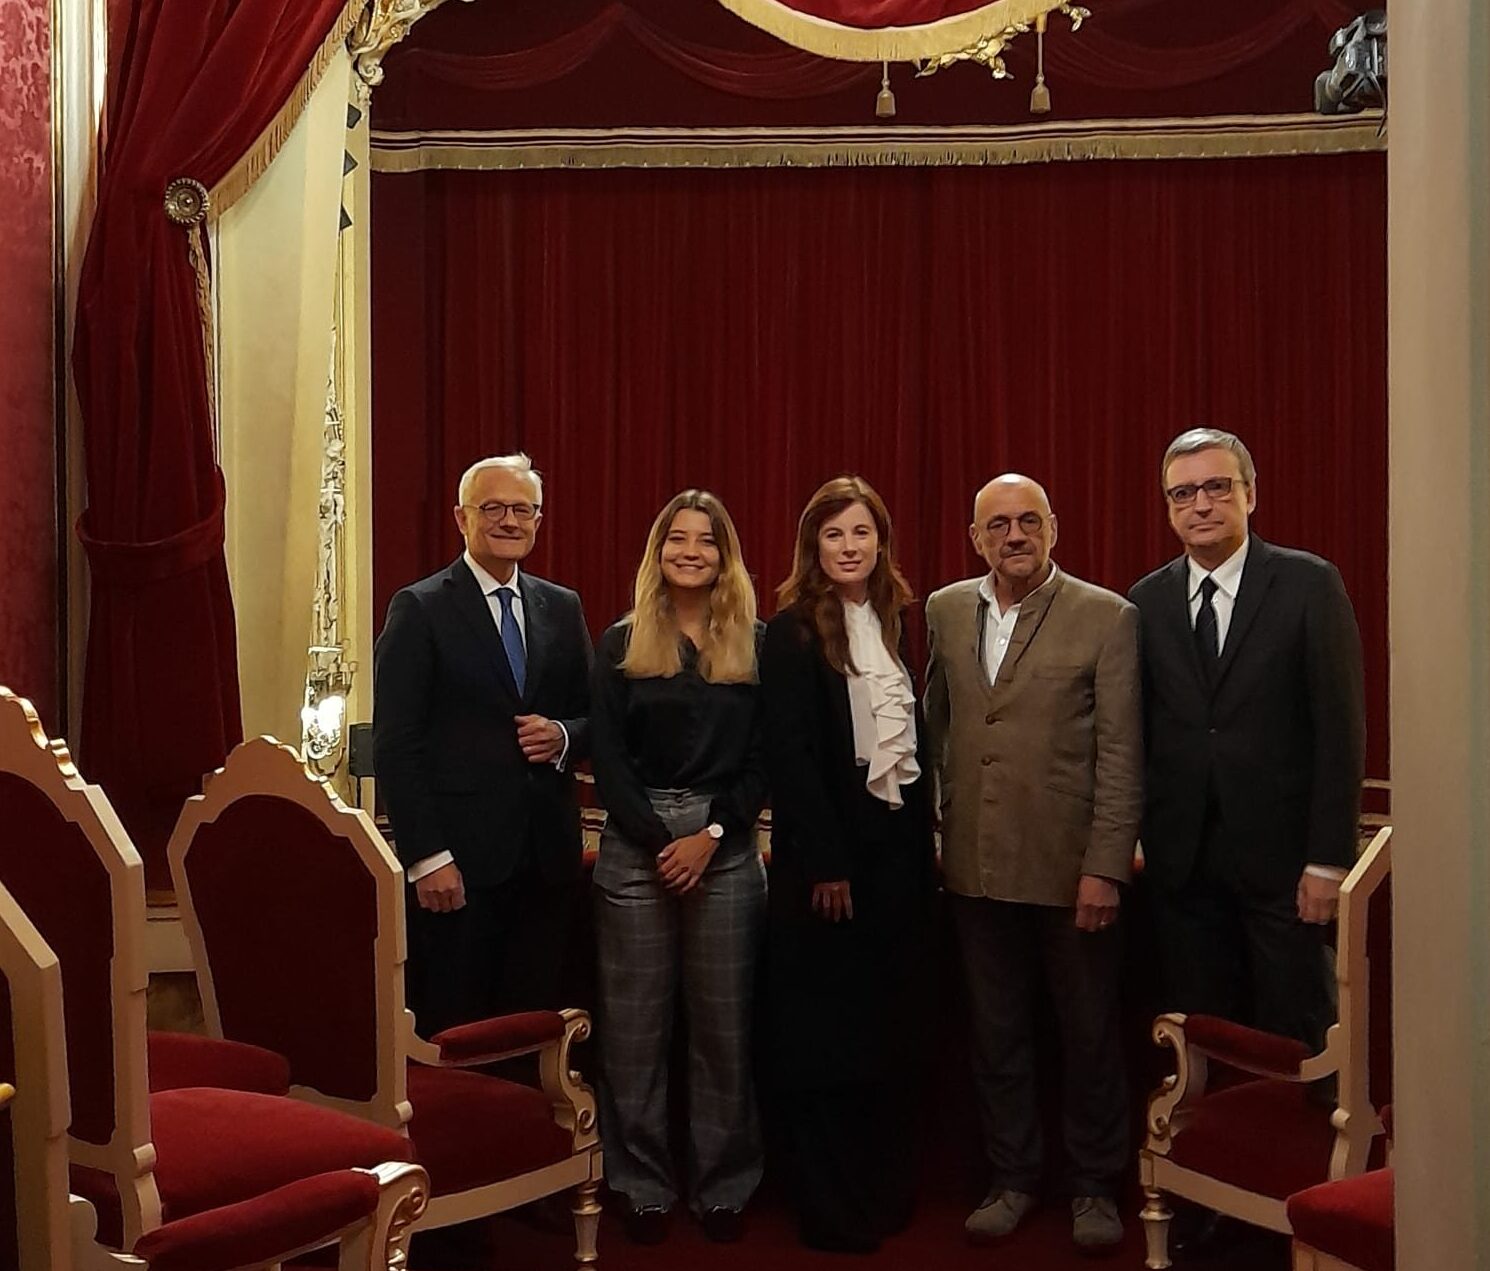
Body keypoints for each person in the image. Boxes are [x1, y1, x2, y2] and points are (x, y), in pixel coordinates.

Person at [924, 474, 1141, 1253]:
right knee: (997, 1034)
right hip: (975, 872)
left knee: (1087, 1036)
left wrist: (1106, 865)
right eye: (997, 526)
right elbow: (936, 731)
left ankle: (1092, 1186)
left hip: (1070, 871)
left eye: (1028, 522)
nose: (1014, 536)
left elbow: (1121, 752)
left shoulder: (1107, 616)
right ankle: (1012, 1177)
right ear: (974, 538)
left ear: (1054, 527)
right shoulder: (945, 610)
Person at [1130, 427, 1365, 1052]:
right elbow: (1139, 731)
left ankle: (1309, 1151)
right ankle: (1204, 1149)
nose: (1200, 505)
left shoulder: (1308, 584)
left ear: (1250, 494)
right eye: (1183, 494)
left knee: (1300, 1035)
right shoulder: (1144, 602)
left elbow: (1339, 731)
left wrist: (1328, 861)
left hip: (1285, 867)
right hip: (1182, 866)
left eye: (1215, 487)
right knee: (1201, 1039)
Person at [759, 475, 935, 1256]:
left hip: (895, 861)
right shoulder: (791, 630)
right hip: (825, 865)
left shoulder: (897, 622)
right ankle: (831, 1203)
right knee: (827, 1039)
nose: (850, 546)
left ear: (881, 541)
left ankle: (880, 1188)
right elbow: (790, 758)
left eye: (861, 532)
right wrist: (827, 861)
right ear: (813, 546)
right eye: (834, 535)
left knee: (884, 1034)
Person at [589, 490, 768, 1247]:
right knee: (634, 1029)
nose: (691, 551)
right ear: (658, 553)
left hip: (726, 847)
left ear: (726, 555)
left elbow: (767, 758)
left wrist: (712, 835)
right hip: (637, 845)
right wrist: (659, 837)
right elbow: (606, 755)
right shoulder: (622, 641)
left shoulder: (758, 644)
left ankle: (725, 1184)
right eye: (677, 540)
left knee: (723, 1027)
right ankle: (641, 1182)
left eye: (707, 541)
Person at [372, 453, 592, 1036]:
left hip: (546, 862)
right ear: (461, 519)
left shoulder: (561, 607)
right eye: (492, 507)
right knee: (459, 1028)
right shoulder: (420, 607)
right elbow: (397, 743)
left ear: (538, 520)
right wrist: (427, 857)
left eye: (523, 509)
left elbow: (596, 716)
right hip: (458, 868)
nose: (509, 521)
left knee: (532, 1026)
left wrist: (565, 735)